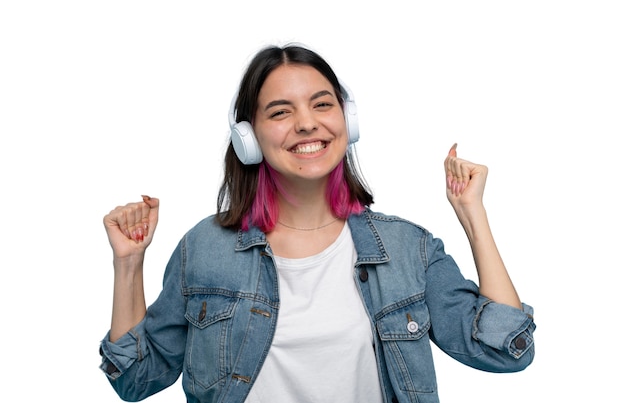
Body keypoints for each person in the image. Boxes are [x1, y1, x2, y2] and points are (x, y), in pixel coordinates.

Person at [99, 43, 535, 403]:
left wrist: (473, 216)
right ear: (247, 139)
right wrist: (129, 265)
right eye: (280, 112)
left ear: (348, 120)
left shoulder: (408, 249)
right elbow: (136, 380)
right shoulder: (205, 248)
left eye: (322, 104)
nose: (307, 123)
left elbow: (505, 350)